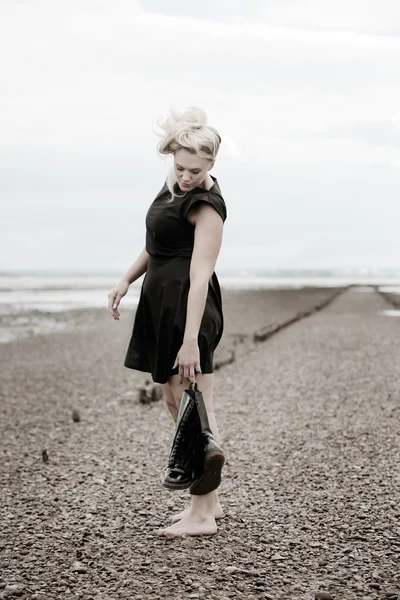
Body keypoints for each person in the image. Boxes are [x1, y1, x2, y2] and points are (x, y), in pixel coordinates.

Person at [108, 107, 227, 537]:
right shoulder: (172, 187)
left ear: (211, 163)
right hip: (159, 304)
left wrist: (191, 340)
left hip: (186, 310)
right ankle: (208, 507)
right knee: (178, 405)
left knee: (195, 408)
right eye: (179, 167)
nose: (185, 176)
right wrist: (126, 278)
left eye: (195, 170)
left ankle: (199, 516)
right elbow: (155, 243)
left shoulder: (206, 206)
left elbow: (200, 277)